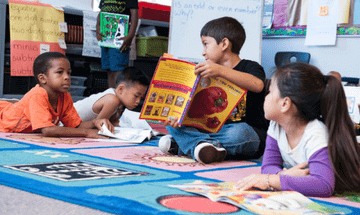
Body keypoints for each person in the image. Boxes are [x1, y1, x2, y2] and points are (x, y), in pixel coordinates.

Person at [234, 63, 360, 197]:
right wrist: (284, 175)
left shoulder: (315, 132)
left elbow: (323, 185)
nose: (266, 97)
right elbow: (268, 166)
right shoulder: (276, 125)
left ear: (285, 104)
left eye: (270, 92)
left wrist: (271, 180)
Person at [158, 17, 268, 164]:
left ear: (224, 44)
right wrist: (179, 118)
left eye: (206, 44)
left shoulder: (250, 66)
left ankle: (187, 145)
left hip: (247, 135)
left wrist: (220, 71)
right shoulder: (206, 72)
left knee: (240, 133)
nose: (203, 52)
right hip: (212, 130)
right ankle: (205, 148)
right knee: (172, 126)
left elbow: (258, 84)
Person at [0, 52, 114, 138]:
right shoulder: (37, 95)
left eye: (68, 73)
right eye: (60, 72)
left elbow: (76, 125)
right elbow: (48, 130)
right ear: (42, 78)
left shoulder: (64, 96)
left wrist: (95, 122)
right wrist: (87, 132)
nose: (67, 77)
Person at [73, 66, 149, 126]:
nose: (138, 101)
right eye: (136, 96)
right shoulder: (112, 100)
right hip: (65, 122)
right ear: (120, 89)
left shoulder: (119, 101)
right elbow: (99, 126)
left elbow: (114, 123)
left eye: (141, 98)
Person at [96, 0, 139, 88]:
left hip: (120, 39)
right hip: (106, 38)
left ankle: (118, 97)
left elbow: (134, 14)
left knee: (118, 69)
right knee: (109, 69)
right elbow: (101, 13)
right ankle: (112, 95)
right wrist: (97, 28)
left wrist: (130, 35)